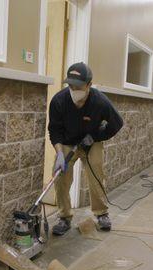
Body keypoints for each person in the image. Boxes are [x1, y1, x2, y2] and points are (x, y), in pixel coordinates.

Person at [48, 62, 124, 236]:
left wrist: (97, 136)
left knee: (96, 175)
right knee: (60, 177)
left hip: (91, 142)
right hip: (67, 143)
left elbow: (117, 123)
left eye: (79, 86)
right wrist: (59, 152)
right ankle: (64, 216)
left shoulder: (100, 101)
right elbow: (54, 130)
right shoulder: (59, 101)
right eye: (71, 85)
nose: (74, 90)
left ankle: (101, 213)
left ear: (89, 84)